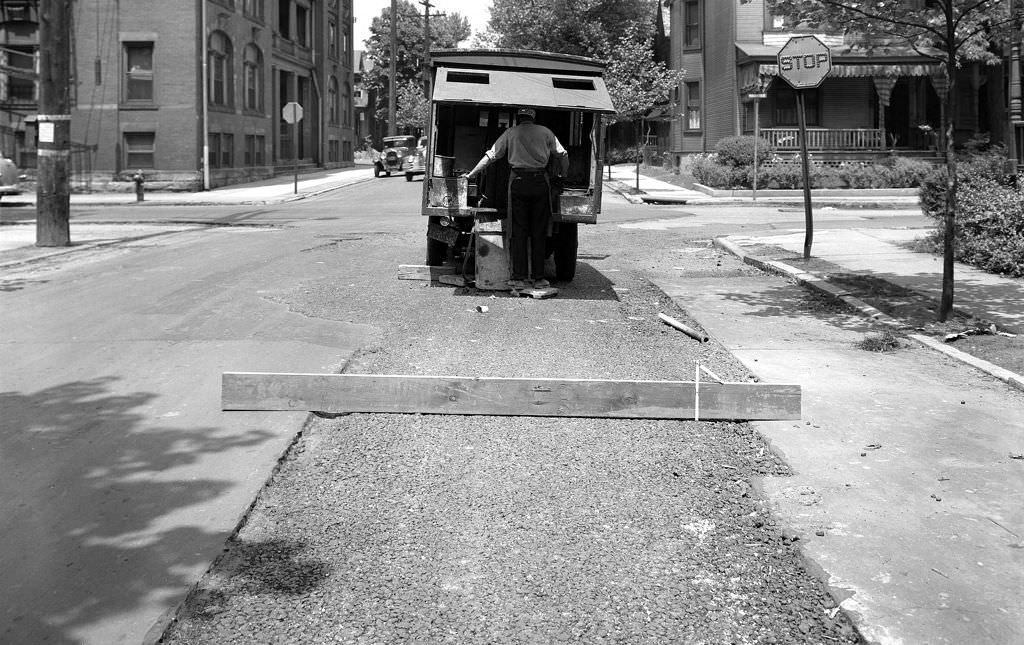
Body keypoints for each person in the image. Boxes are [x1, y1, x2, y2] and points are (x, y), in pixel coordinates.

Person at [464, 107, 569, 290]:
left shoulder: (510, 133)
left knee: (519, 230)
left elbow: (491, 155)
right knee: (539, 231)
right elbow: (563, 154)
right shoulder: (545, 132)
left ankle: (519, 278)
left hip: (518, 183)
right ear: (533, 118)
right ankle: (538, 279)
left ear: (518, 118)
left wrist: (471, 174)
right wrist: (563, 174)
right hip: (540, 183)